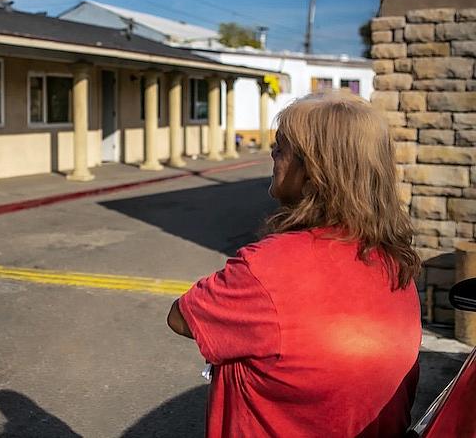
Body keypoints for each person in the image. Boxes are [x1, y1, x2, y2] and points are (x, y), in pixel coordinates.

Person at [167, 92, 421, 438]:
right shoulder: (395, 263)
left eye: (282, 147)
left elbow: (181, 317)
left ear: (314, 170)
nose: (272, 154)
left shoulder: (266, 269)